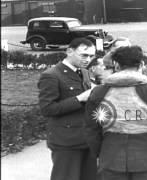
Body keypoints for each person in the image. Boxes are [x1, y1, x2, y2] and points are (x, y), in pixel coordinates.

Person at [84, 45, 147, 180]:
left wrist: (99, 154)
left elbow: (91, 128)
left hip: (111, 158)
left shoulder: (98, 92)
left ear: (116, 65)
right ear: (142, 64)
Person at [38, 38, 97, 180]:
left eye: (91, 56)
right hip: (66, 142)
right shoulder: (51, 75)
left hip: (87, 138)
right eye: (84, 55)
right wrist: (80, 98)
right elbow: (47, 109)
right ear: (69, 51)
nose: (88, 59)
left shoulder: (84, 72)